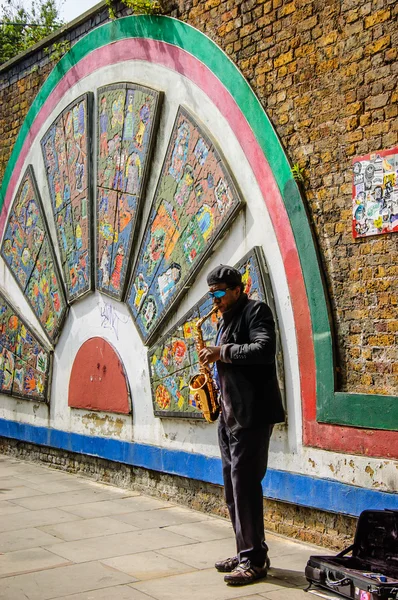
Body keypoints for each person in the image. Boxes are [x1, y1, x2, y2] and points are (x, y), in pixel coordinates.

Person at [199, 264, 285, 586]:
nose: (216, 300)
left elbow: (264, 350)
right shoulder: (224, 319)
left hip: (251, 416)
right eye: (212, 294)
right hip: (229, 415)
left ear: (237, 289)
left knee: (246, 487)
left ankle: (254, 561)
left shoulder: (255, 311)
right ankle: (246, 549)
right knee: (233, 489)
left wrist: (221, 352)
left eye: (220, 293)